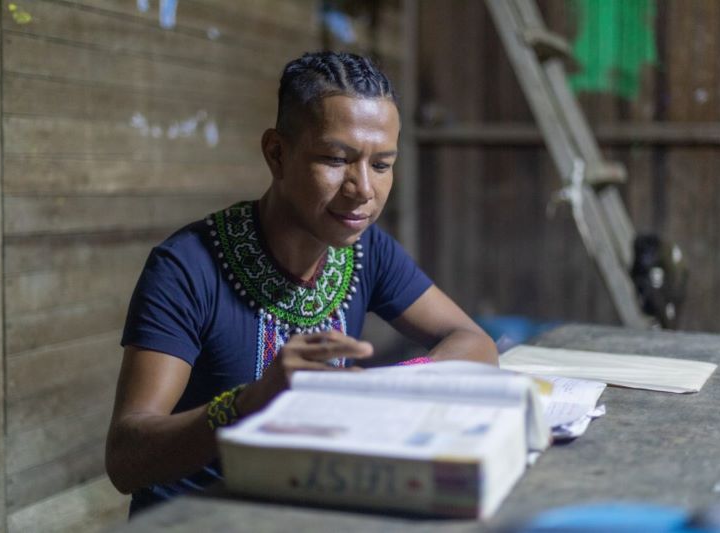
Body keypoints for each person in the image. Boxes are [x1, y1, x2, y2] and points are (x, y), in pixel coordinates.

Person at [105, 51, 498, 515]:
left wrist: (387, 388)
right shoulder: (187, 268)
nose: (363, 189)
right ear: (277, 153)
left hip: (307, 508)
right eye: (336, 158)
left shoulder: (366, 252)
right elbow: (126, 459)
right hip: (198, 517)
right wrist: (249, 404)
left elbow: (474, 343)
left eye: (382, 164)